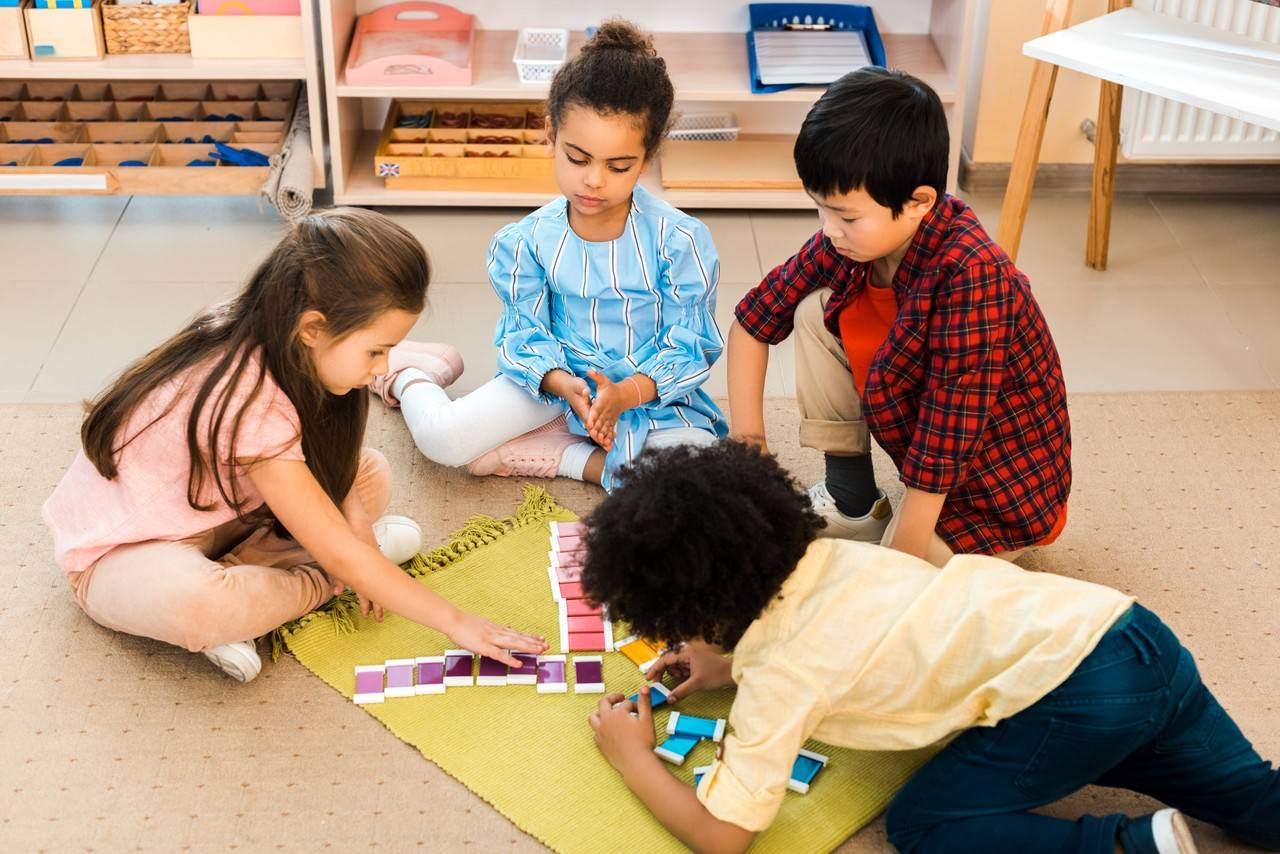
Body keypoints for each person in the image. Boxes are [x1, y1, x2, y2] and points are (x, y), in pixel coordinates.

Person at [581, 441, 1279, 854]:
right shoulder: (842, 558)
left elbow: (725, 838)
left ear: (692, 608)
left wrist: (633, 756)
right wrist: (727, 662)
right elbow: (845, 630)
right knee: (1250, 798)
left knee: (924, 824)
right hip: (1129, 634)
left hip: (1075, 700)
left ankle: (1125, 846)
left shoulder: (779, 681)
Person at [43, 208, 546, 683]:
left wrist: (357, 536)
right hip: (121, 553)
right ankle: (304, 589)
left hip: (221, 510)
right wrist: (452, 619)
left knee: (368, 475)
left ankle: (269, 588)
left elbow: (335, 463)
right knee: (202, 608)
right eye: (376, 350)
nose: (382, 366)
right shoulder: (248, 396)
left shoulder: (281, 339)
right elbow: (330, 528)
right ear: (312, 328)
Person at [728, 67, 1070, 566]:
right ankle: (852, 501)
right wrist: (749, 448)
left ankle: (967, 561)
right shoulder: (849, 244)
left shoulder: (973, 275)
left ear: (919, 203)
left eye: (845, 216)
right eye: (819, 209)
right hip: (932, 459)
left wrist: (899, 564)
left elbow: (947, 435)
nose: (828, 230)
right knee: (813, 311)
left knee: (882, 594)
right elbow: (752, 323)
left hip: (998, 495)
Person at [372, 19, 726, 491]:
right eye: (577, 159)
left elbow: (690, 347)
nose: (594, 181)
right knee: (443, 440)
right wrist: (565, 385)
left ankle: (558, 454)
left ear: (649, 155)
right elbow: (525, 334)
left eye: (619, 166)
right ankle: (412, 374)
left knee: (697, 485)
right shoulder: (526, 241)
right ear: (550, 136)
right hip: (554, 386)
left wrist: (624, 394)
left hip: (649, 394)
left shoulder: (679, 241)